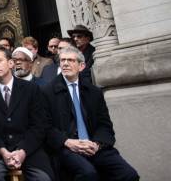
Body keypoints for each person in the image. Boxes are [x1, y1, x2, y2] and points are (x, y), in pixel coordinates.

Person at [43, 46, 139, 180]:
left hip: (93, 146)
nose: (65, 63)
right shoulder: (47, 92)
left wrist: (97, 144)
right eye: (62, 60)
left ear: (81, 66)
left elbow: (105, 125)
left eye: (70, 60)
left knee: (128, 174)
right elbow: (45, 127)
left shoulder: (93, 92)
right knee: (88, 174)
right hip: (67, 148)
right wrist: (67, 142)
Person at [0, 46, 53, 181]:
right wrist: (3, 151)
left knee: (43, 178)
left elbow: (39, 125)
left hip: (29, 150)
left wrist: (22, 151)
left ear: (11, 63)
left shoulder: (31, 89)